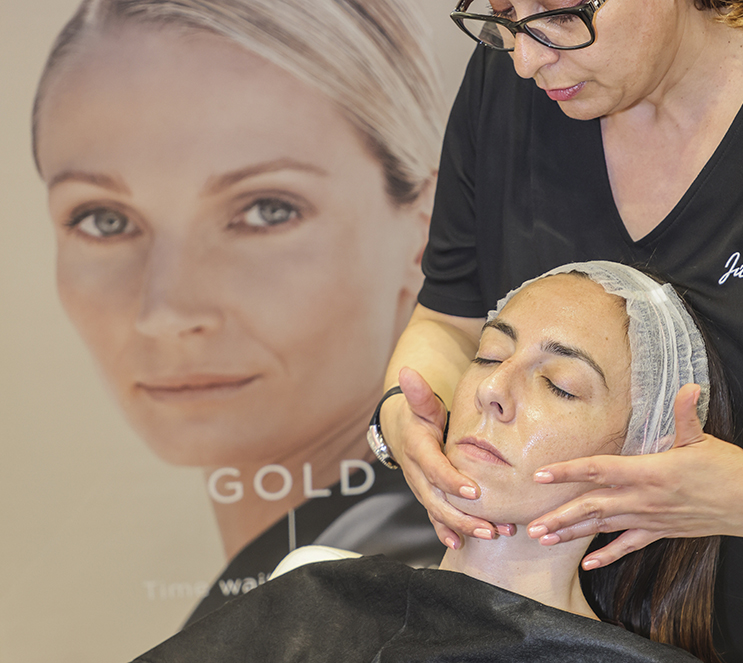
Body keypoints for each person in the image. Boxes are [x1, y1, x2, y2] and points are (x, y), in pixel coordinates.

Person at [377, 2, 743, 662]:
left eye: (560, 13)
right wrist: (401, 419)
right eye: (503, 12)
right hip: (555, 631)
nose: (527, 60)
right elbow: (449, 318)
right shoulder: (508, 79)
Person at [31, 0, 447, 624]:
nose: (165, 311)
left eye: (266, 210)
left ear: (424, 232)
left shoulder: (396, 606)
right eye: (104, 220)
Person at [131, 261, 729, 663]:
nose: (492, 390)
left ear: (641, 455)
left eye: (559, 385)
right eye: (489, 355)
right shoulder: (317, 588)